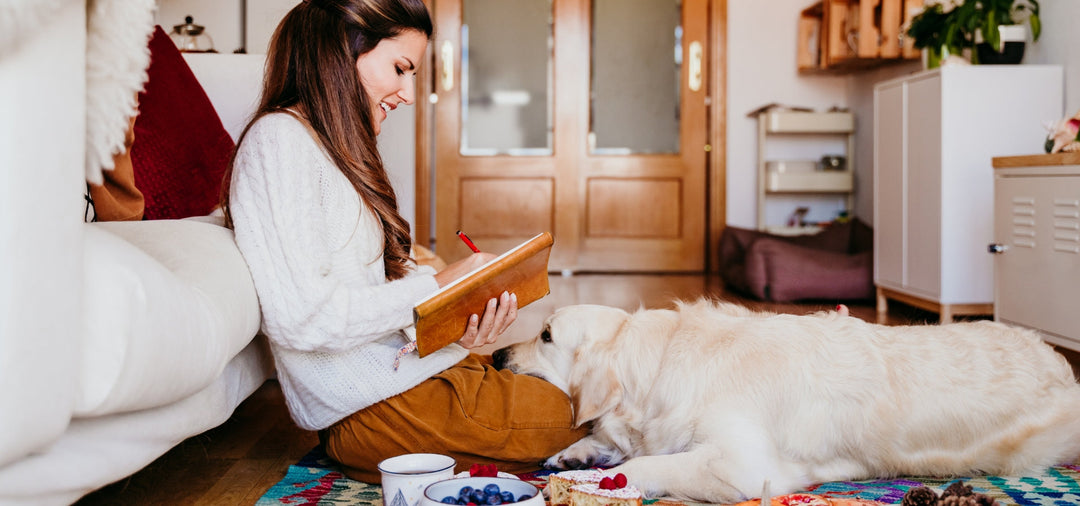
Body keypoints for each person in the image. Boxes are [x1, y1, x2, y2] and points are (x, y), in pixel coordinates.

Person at [222, 0, 587, 483]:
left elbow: (382, 289)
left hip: (420, 376)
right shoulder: (278, 142)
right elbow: (304, 319)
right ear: (340, 50)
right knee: (601, 419)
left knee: (591, 389)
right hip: (377, 407)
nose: (409, 94)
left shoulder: (336, 152)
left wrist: (457, 317)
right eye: (401, 68)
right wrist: (437, 284)